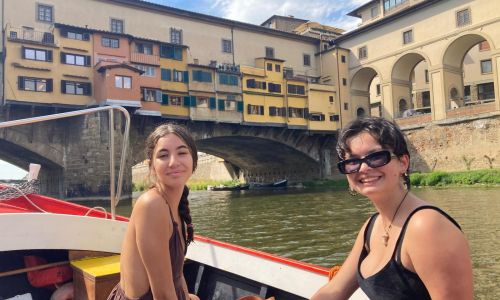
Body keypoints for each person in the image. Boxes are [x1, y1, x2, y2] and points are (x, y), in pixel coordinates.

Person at [311, 117, 473, 300]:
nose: (363, 168)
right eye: (353, 161)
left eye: (376, 157)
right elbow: (334, 291)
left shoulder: (427, 226)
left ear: (403, 163)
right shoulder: (371, 227)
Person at [108, 123, 200, 300]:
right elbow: (164, 295)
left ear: (193, 160)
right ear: (152, 166)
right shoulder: (152, 205)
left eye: (182, 152)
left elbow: (177, 276)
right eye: (163, 155)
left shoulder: (176, 205)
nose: (174, 162)